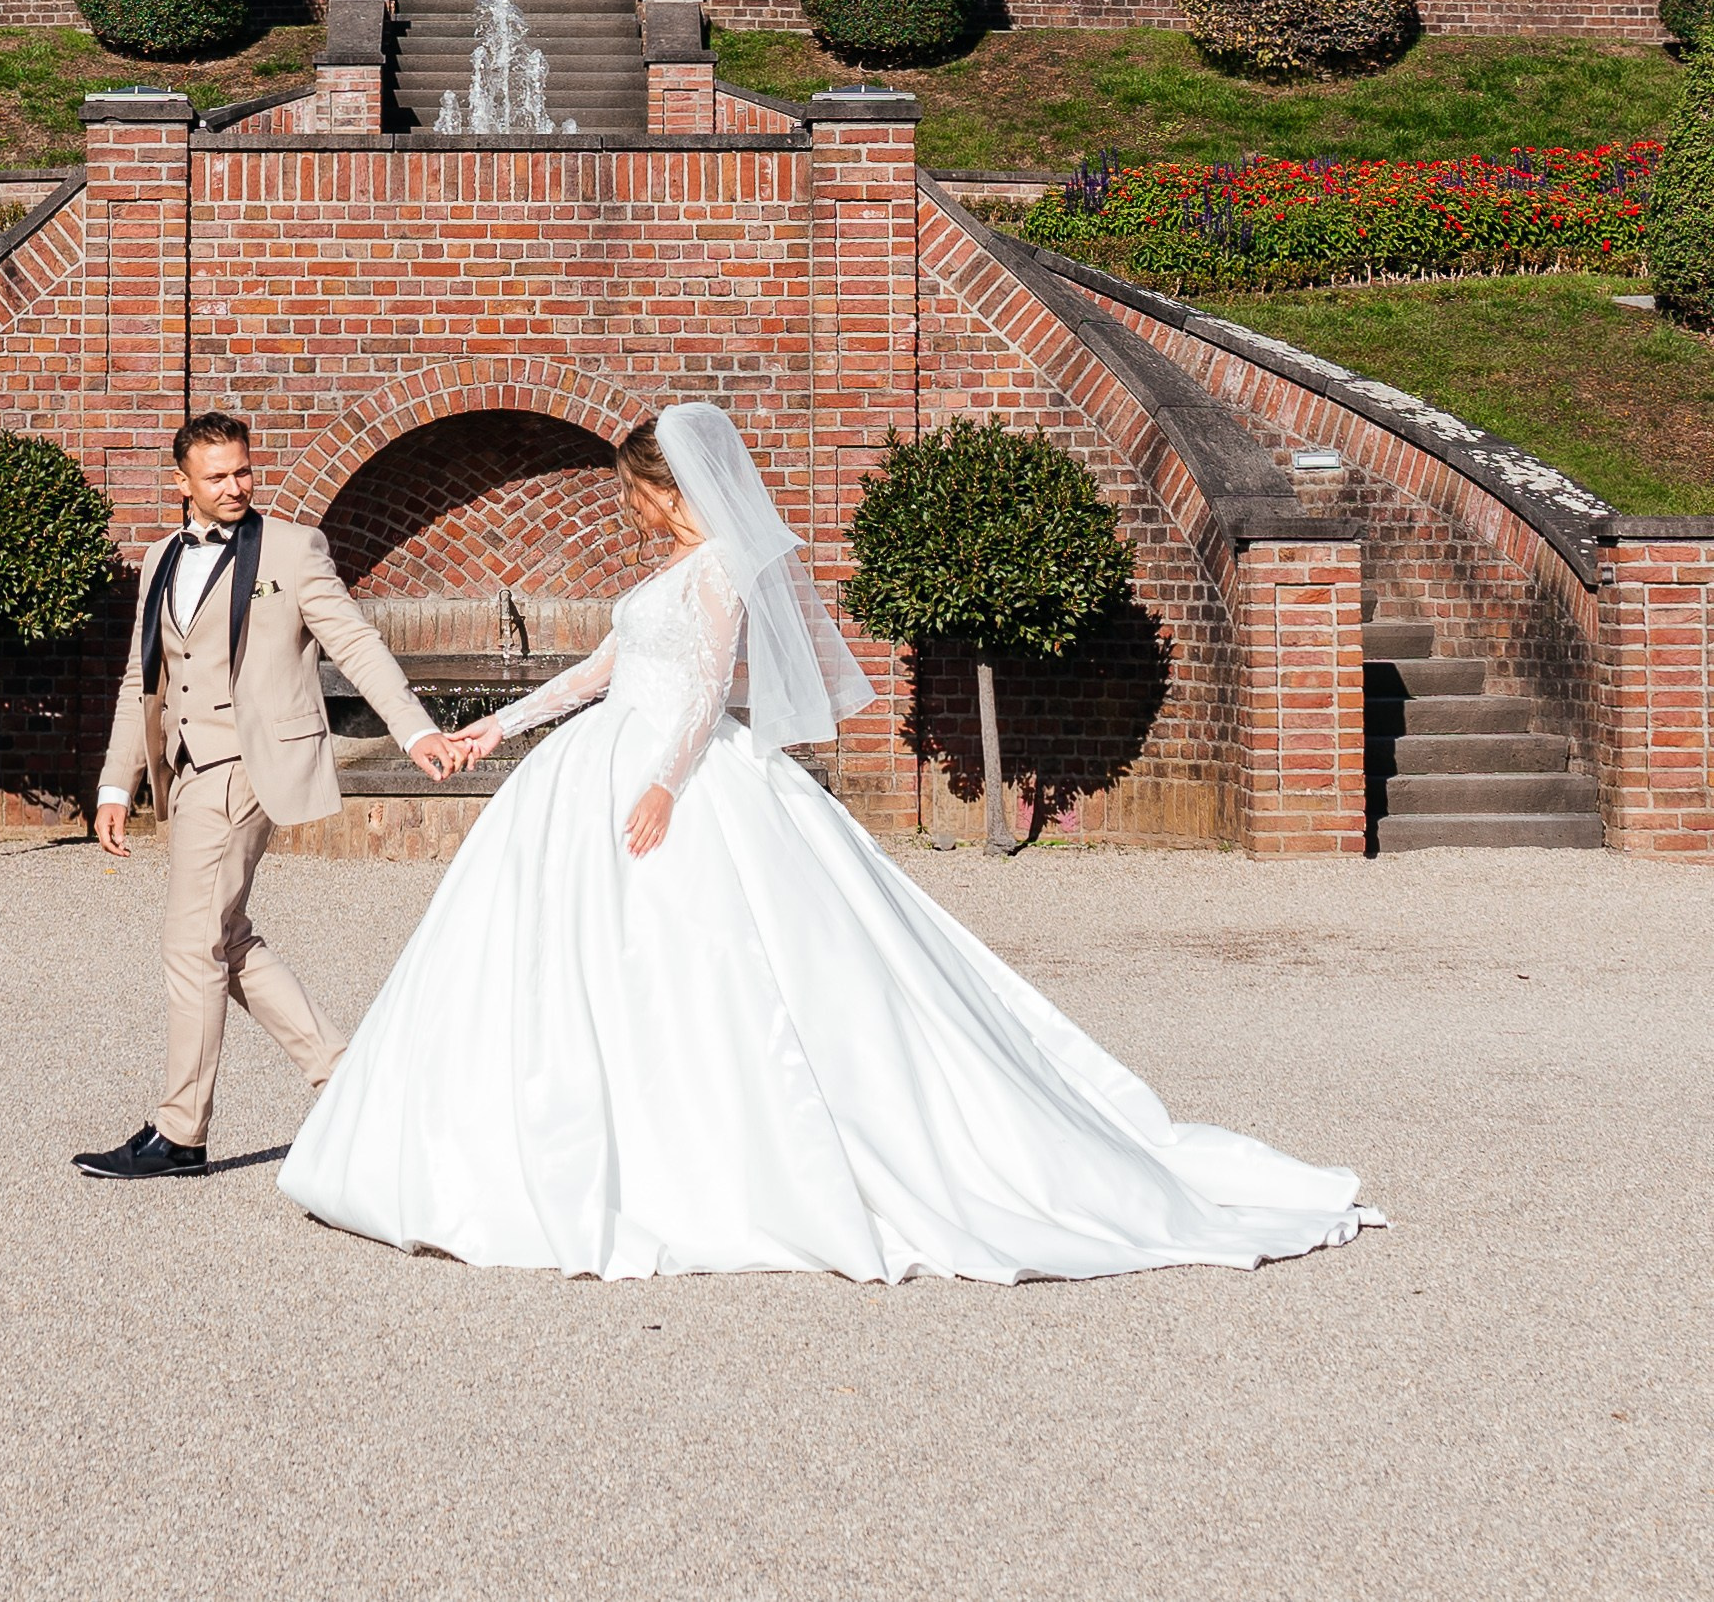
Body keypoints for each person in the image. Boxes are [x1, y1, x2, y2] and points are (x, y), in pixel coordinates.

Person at [281, 404, 1382, 1282]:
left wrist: (665, 784)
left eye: (637, 493)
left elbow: (708, 687)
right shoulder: (662, 575)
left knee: (721, 961)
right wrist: (494, 725)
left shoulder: (719, 567)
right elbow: (600, 671)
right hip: (602, 756)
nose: (633, 510)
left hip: (675, 770)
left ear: (671, 488)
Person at [75, 410, 448, 1182]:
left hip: (248, 765)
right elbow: (141, 681)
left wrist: (414, 730)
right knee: (228, 938)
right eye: (217, 475)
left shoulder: (290, 548)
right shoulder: (159, 559)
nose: (236, 484)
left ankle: (181, 1132)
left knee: (190, 943)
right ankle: (349, 1077)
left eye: (243, 470)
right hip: (187, 769)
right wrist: (119, 782)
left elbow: (354, 641)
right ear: (182, 483)